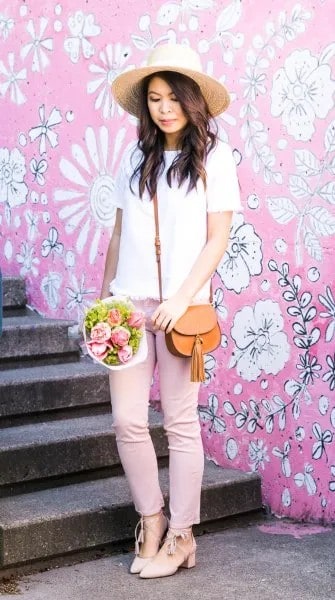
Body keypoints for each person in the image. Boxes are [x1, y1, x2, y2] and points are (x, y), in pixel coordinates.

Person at [100, 42, 241, 579]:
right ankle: (151, 520)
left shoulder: (216, 157)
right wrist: (105, 298)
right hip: (129, 306)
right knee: (127, 421)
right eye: (154, 99)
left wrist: (181, 298)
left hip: (183, 311)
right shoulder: (133, 157)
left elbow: (217, 239)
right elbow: (118, 231)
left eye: (172, 97)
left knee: (181, 423)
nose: (163, 108)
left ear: (193, 100)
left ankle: (183, 537)